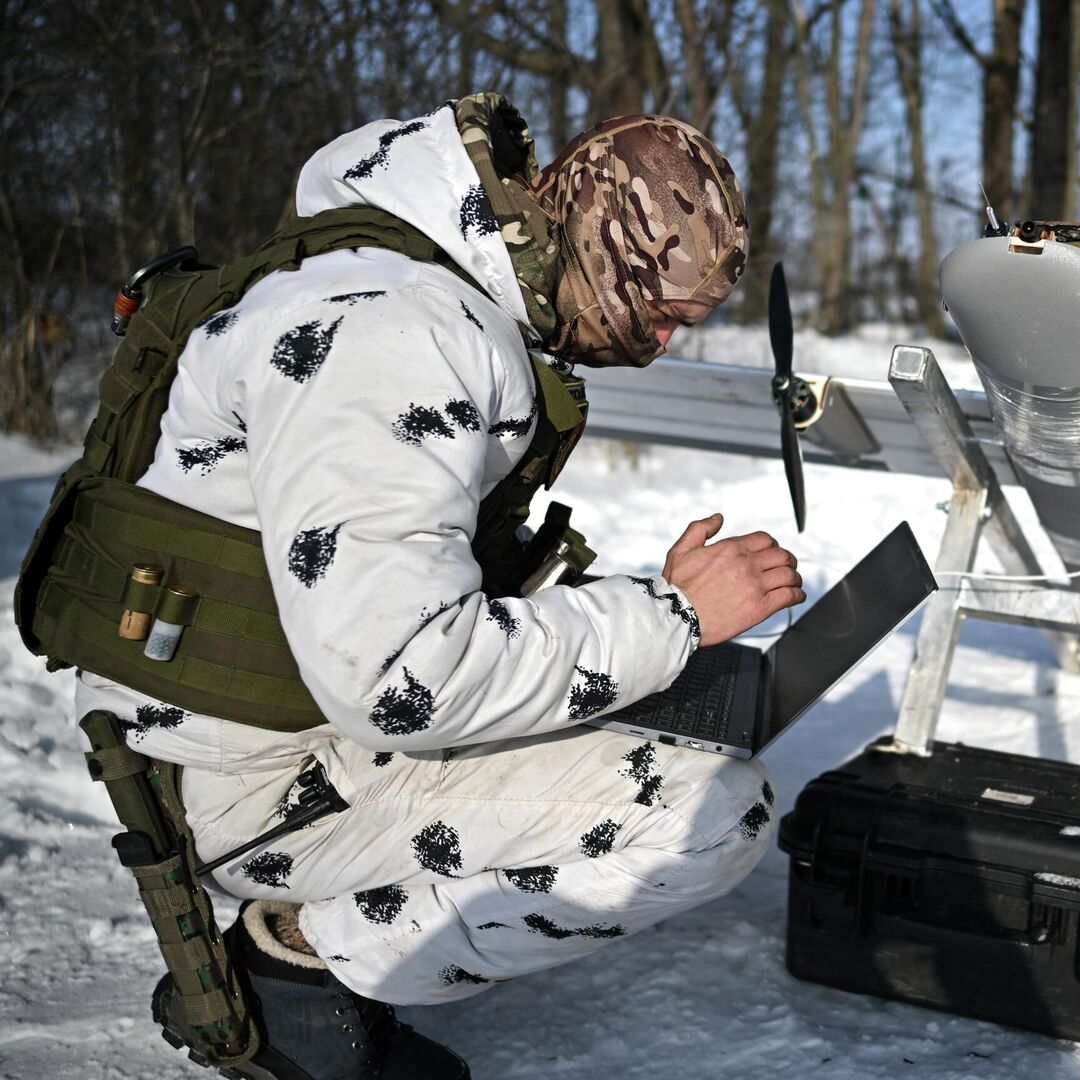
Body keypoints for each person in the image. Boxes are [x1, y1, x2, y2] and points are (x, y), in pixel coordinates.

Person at [70, 95, 801, 1076]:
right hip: (261, 785)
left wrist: (649, 624)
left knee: (672, 706)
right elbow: (398, 680)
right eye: (660, 317)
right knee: (720, 809)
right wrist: (669, 617)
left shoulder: (401, 282)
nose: (657, 348)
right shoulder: (400, 337)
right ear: (602, 249)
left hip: (262, 724)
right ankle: (292, 966)